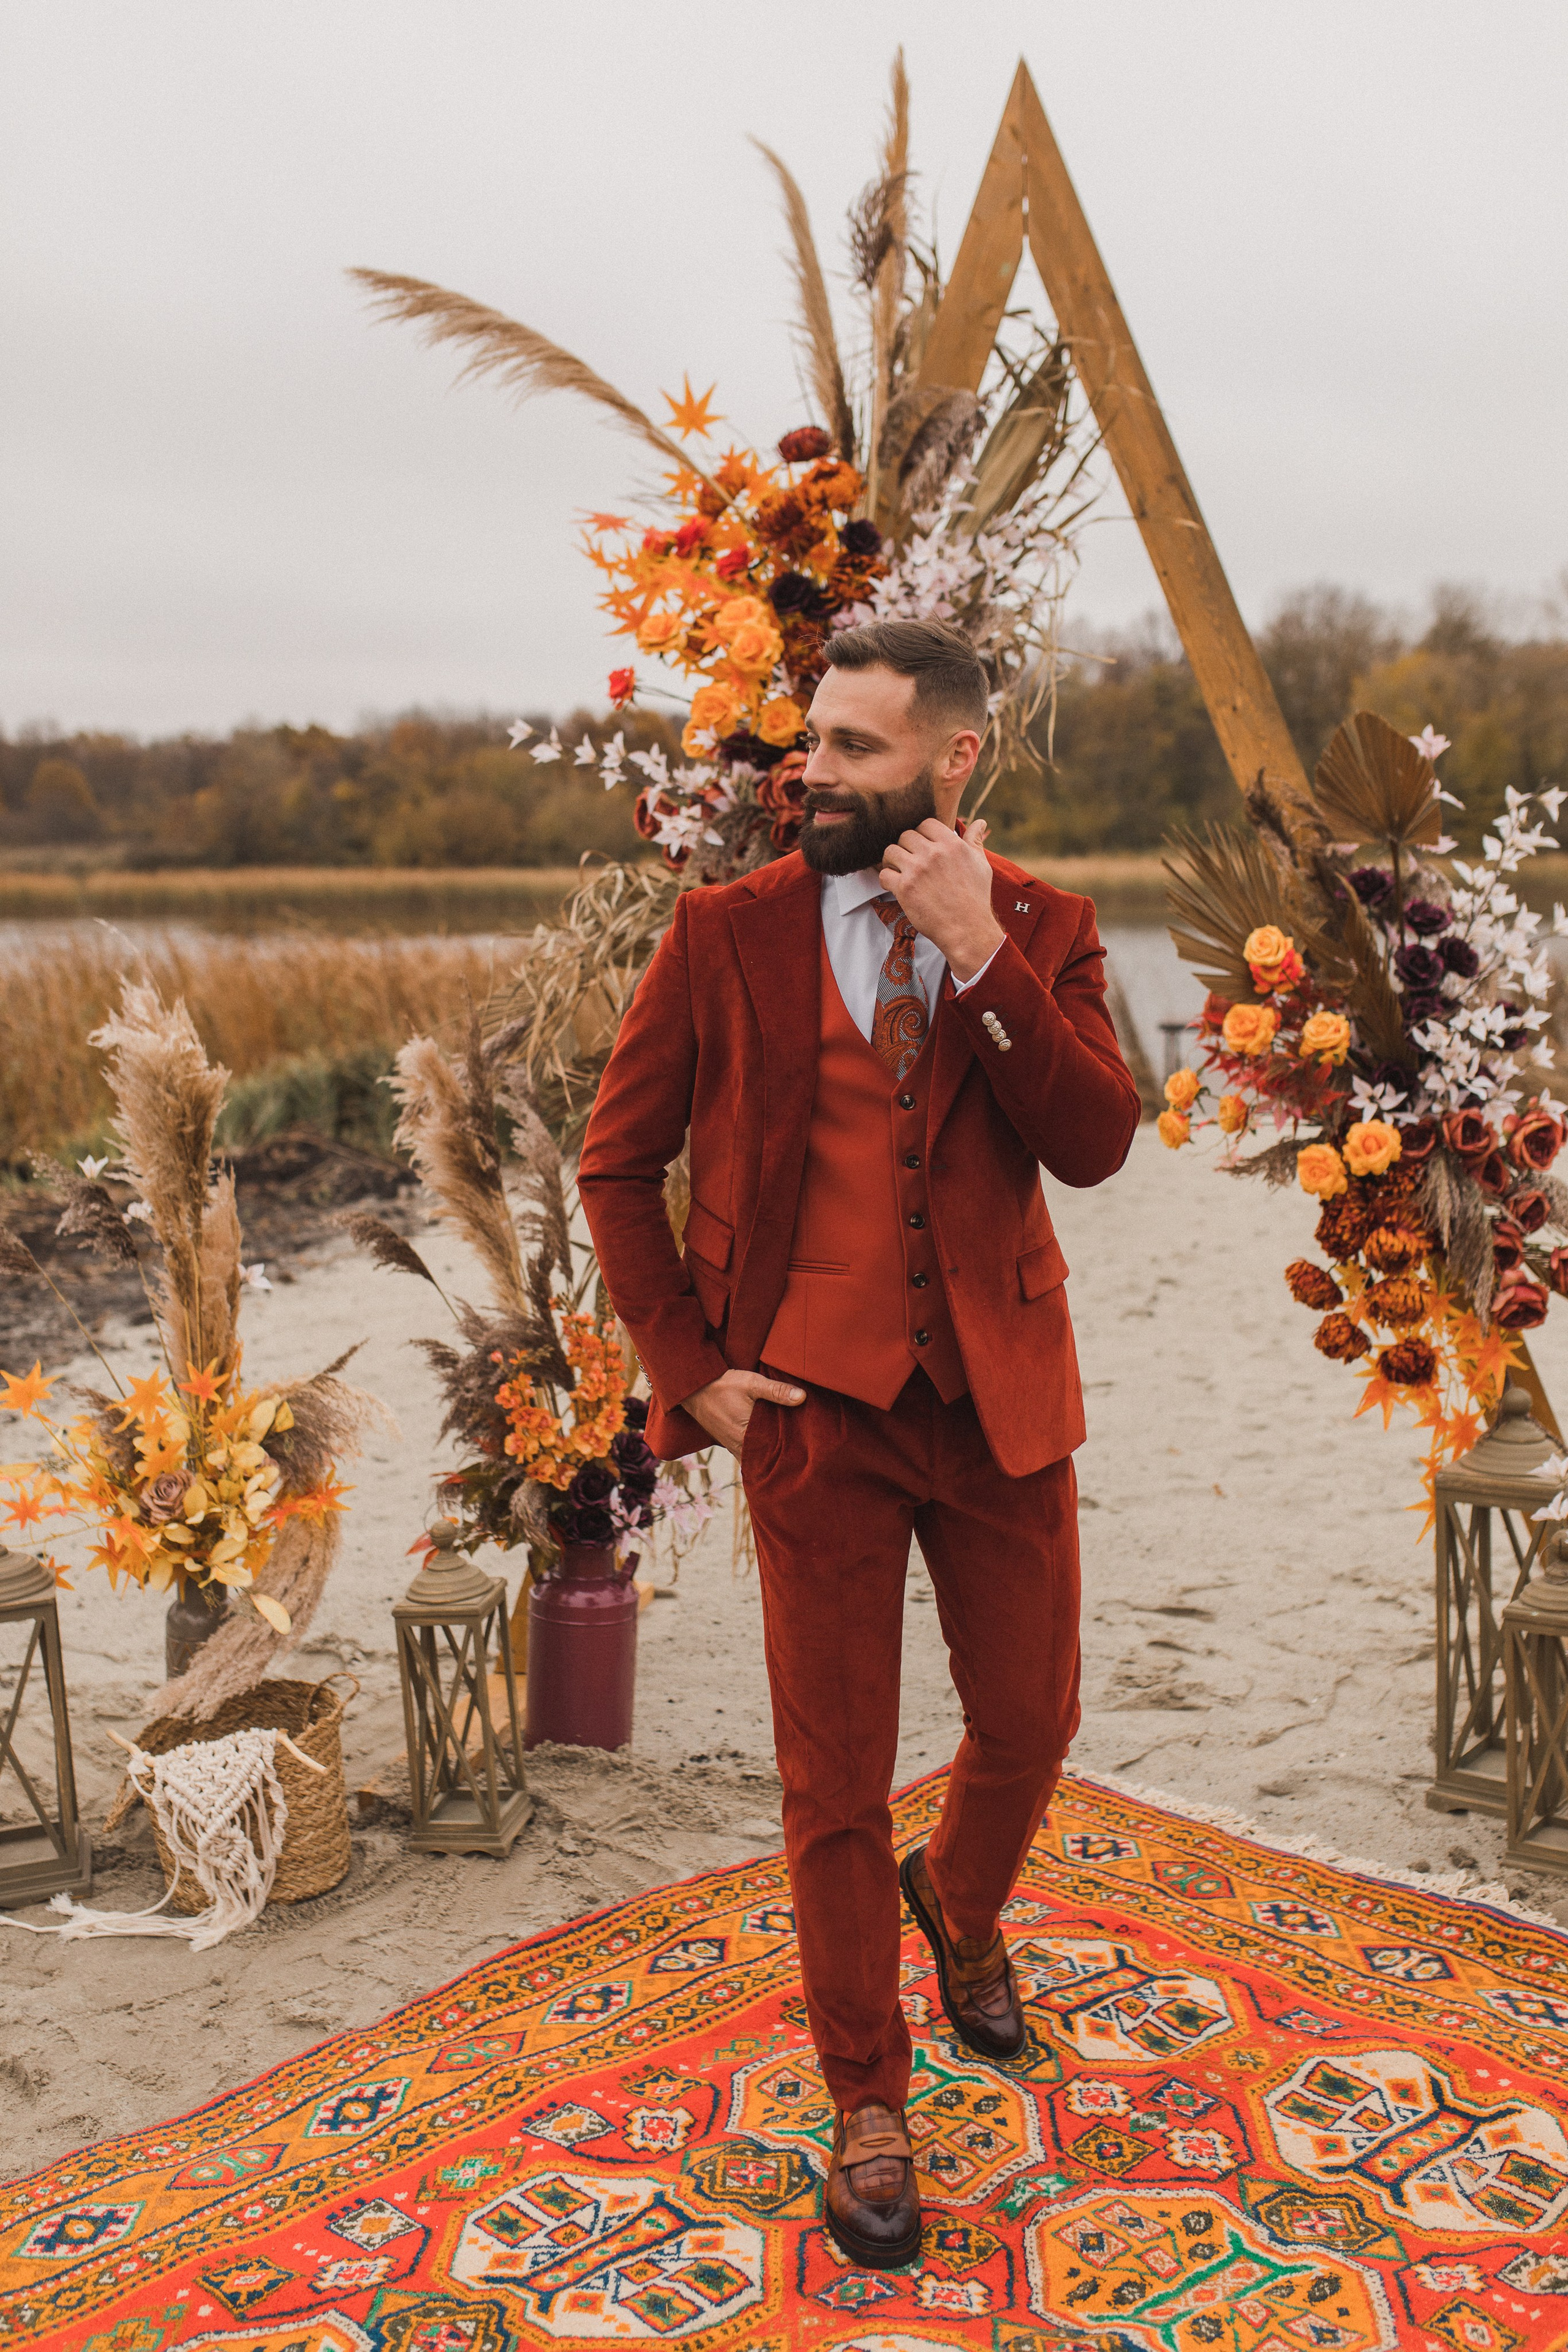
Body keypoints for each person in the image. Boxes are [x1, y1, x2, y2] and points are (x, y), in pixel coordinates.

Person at [579, 617, 1139, 2267]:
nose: (808, 771)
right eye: (811, 737)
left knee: (1030, 1719)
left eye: (851, 748)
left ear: (952, 761)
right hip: (809, 1411)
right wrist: (691, 1370)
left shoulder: (1048, 926)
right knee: (832, 1778)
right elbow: (618, 1167)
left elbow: (1096, 1143)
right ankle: (869, 2099)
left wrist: (979, 952)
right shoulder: (724, 931)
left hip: (997, 1396)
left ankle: (957, 1898)